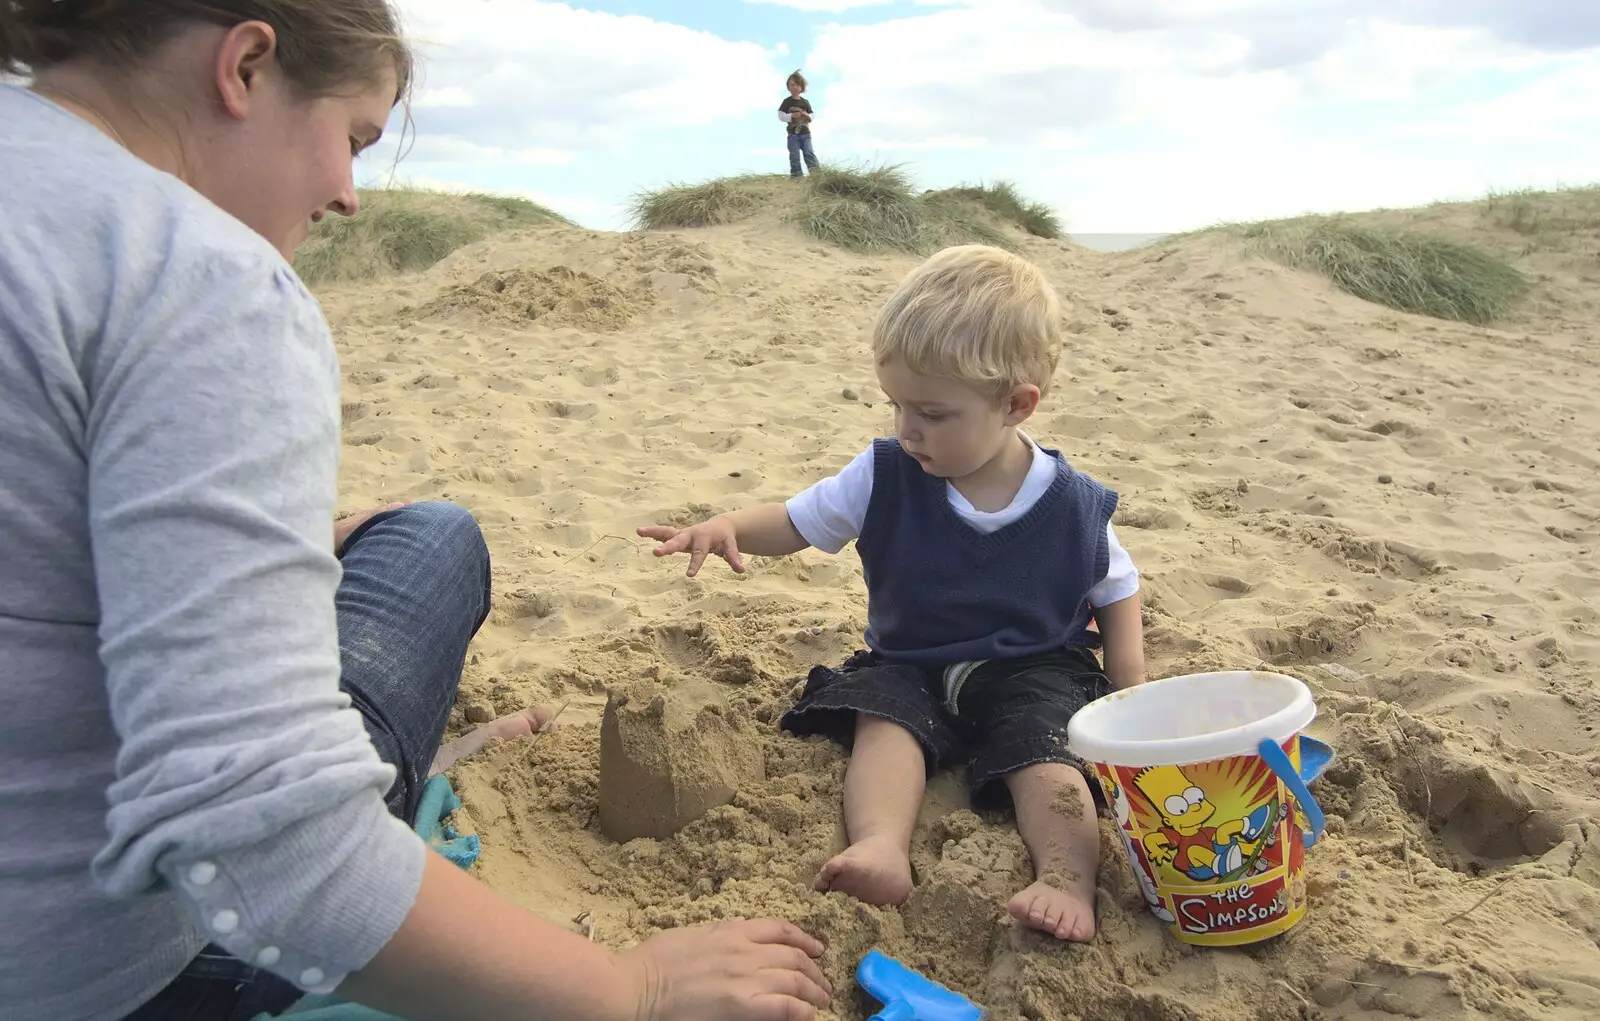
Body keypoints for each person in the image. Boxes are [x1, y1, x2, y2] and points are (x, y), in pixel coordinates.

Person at [0, 3, 831, 1021]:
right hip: (98, 972)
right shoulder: (192, 275)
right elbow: (260, 848)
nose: (348, 196)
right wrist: (629, 988)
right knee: (442, 542)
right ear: (246, 66)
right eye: (351, 139)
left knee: (420, 534)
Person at [638, 245, 1147, 943]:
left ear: (1016, 403)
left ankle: (1067, 878)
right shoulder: (885, 472)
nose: (907, 428)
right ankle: (881, 844)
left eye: (933, 412)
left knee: (1048, 754)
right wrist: (727, 526)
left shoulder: (1073, 503)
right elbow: (796, 521)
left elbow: (1116, 584)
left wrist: (1129, 688)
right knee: (884, 720)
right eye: (896, 405)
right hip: (913, 657)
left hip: (1035, 665)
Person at [777, 69, 819, 179]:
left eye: (797, 85)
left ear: (802, 87)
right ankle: (797, 177)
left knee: (809, 153)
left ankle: (816, 175)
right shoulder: (787, 102)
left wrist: (807, 116)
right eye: (792, 85)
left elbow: (812, 115)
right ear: (788, 87)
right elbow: (780, 115)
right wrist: (791, 116)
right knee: (794, 155)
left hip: (805, 134)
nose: (794, 87)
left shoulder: (805, 102)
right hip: (793, 135)